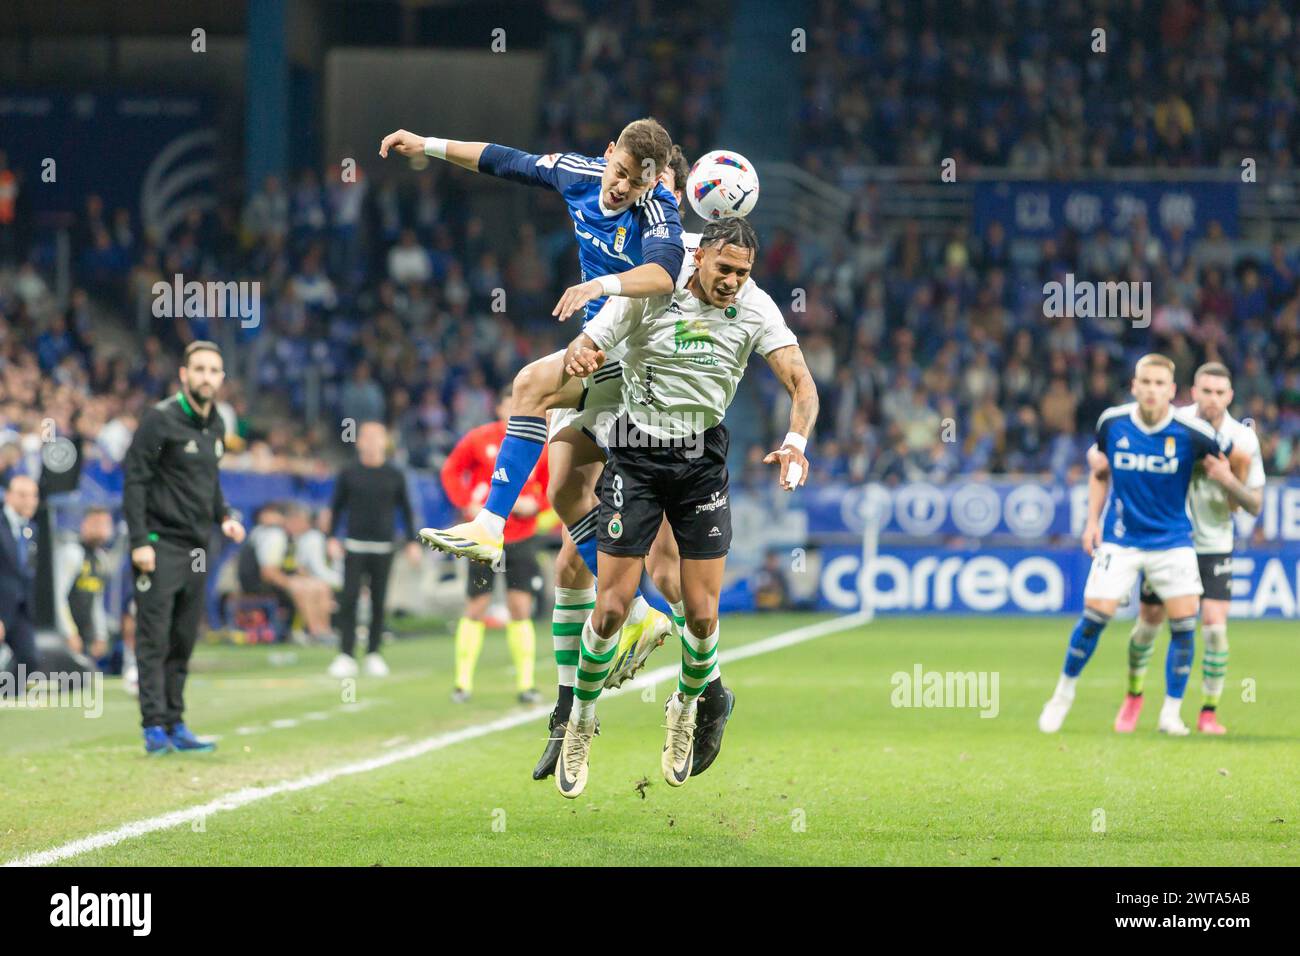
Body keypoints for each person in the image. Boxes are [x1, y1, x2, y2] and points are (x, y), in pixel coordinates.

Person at [380, 121, 684, 774]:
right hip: (600, 350)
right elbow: (502, 159)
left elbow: (663, 273)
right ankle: (643, 610)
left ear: (654, 179)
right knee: (563, 492)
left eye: (636, 179)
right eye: (619, 171)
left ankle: (493, 526)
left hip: (640, 357)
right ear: (608, 156)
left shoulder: (659, 209)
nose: (622, 185)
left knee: (528, 382)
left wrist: (599, 287)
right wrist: (427, 145)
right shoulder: (578, 173)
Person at [551, 216, 820, 797]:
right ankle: (581, 718)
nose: (732, 282)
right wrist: (580, 352)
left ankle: (685, 706)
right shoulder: (654, 291)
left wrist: (796, 442)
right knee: (611, 609)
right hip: (638, 457)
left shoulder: (756, 307)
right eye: (724, 268)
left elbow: (803, 383)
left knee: (701, 615)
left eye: (743, 272)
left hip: (701, 463)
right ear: (699, 258)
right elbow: (590, 340)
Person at [1038, 354, 1251, 736]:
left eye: (1159, 384)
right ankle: (1062, 694)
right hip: (1123, 540)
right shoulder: (1112, 423)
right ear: (1134, 386)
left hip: (1172, 542)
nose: (1152, 390)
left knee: (1185, 626)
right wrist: (1091, 523)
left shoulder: (1191, 433)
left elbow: (1231, 461)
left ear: (1172, 391)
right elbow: (1099, 470)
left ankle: (1170, 713)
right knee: (1095, 617)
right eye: (1145, 383)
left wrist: (1236, 475)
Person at [1095, 362, 1265, 735]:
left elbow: (1253, 504)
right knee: (1148, 626)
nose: (1213, 399)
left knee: (1215, 628)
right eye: (1206, 391)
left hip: (1216, 542)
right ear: (1192, 390)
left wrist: (1226, 480)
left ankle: (1207, 712)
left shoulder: (1243, 439)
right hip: (1169, 542)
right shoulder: (1173, 425)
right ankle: (1134, 695)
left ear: (1230, 396)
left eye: (1220, 393)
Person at [123, 341, 246, 754]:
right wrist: (140, 540)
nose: (207, 377)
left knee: (183, 640)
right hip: (159, 544)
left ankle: (175, 722)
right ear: (184, 374)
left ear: (222, 379)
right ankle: (153, 727)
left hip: (198, 547)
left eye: (214, 370)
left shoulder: (216, 426)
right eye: (199, 369)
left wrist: (224, 515)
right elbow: (135, 480)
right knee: (153, 639)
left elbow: (209, 483)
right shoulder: (160, 420)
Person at [441, 386, 547, 704]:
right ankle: (462, 684)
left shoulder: (538, 443)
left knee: (520, 608)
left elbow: (550, 482)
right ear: (499, 407)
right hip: (486, 539)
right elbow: (450, 471)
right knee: (476, 606)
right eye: (510, 402)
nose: (516, 408)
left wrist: (537, 504)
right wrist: (466, 505)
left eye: (521, 402)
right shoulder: (479, 438)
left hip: (522, 536)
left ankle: (526, 685)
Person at [327, 421, 422, 678]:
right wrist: (331, 537)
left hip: (383, 546)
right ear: (358, 442)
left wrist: (413, 542)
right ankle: (346, 654)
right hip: (354, 545)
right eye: (365, 437)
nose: (370, 442)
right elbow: (335, 507)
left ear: (385, 442)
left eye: (376, 437)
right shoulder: (349, 472)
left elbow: (406, 509)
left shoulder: (395, 474)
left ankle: (373, 653)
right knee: (349, 599)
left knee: (379, 601)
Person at [239, 502, 334, 645]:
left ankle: (325, 630)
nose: (306, 526)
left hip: (278, 580)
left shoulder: (293, 538)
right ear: (293, 520)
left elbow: (294, 567)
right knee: (301, 588)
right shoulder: (275, 536)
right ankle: (314, 632)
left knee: (320, 586)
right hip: (257, 583)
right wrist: (292, 584)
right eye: (303, 522)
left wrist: (306, 579)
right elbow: (268, 572)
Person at [54, 506, 115, 661]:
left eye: (105, 525)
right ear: (85, 524)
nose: (102, 530)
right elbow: (58, 596)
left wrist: (100, 635)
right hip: (62, 633)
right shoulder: (72, 552)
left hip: (84, 635)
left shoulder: (101, 559)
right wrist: (69, 633)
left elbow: (96, 600)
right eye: (96, 524)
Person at [0, 475, 40, 679]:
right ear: (7, 496)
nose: (29, 501)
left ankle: (8, 700)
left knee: (29, 659)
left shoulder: (30, 529)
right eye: (22, 495)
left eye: (34, 495)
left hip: (19, 608)